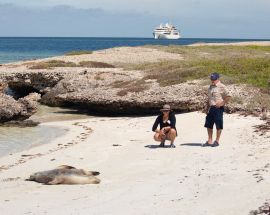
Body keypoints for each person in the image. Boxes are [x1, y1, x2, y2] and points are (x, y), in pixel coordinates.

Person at [203, 72, 231, 147]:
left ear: (218, 79)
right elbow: (209, 98)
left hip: (218, 108)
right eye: (211, 79)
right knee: (208, 124)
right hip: (211, 108)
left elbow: (228, 96)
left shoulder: (222, 86)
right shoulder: (210, 87)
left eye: (214, 79)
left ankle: (217, 141)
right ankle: (209, 140)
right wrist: (207, 108)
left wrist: (222, 103)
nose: (212, 80)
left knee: (218, 125)